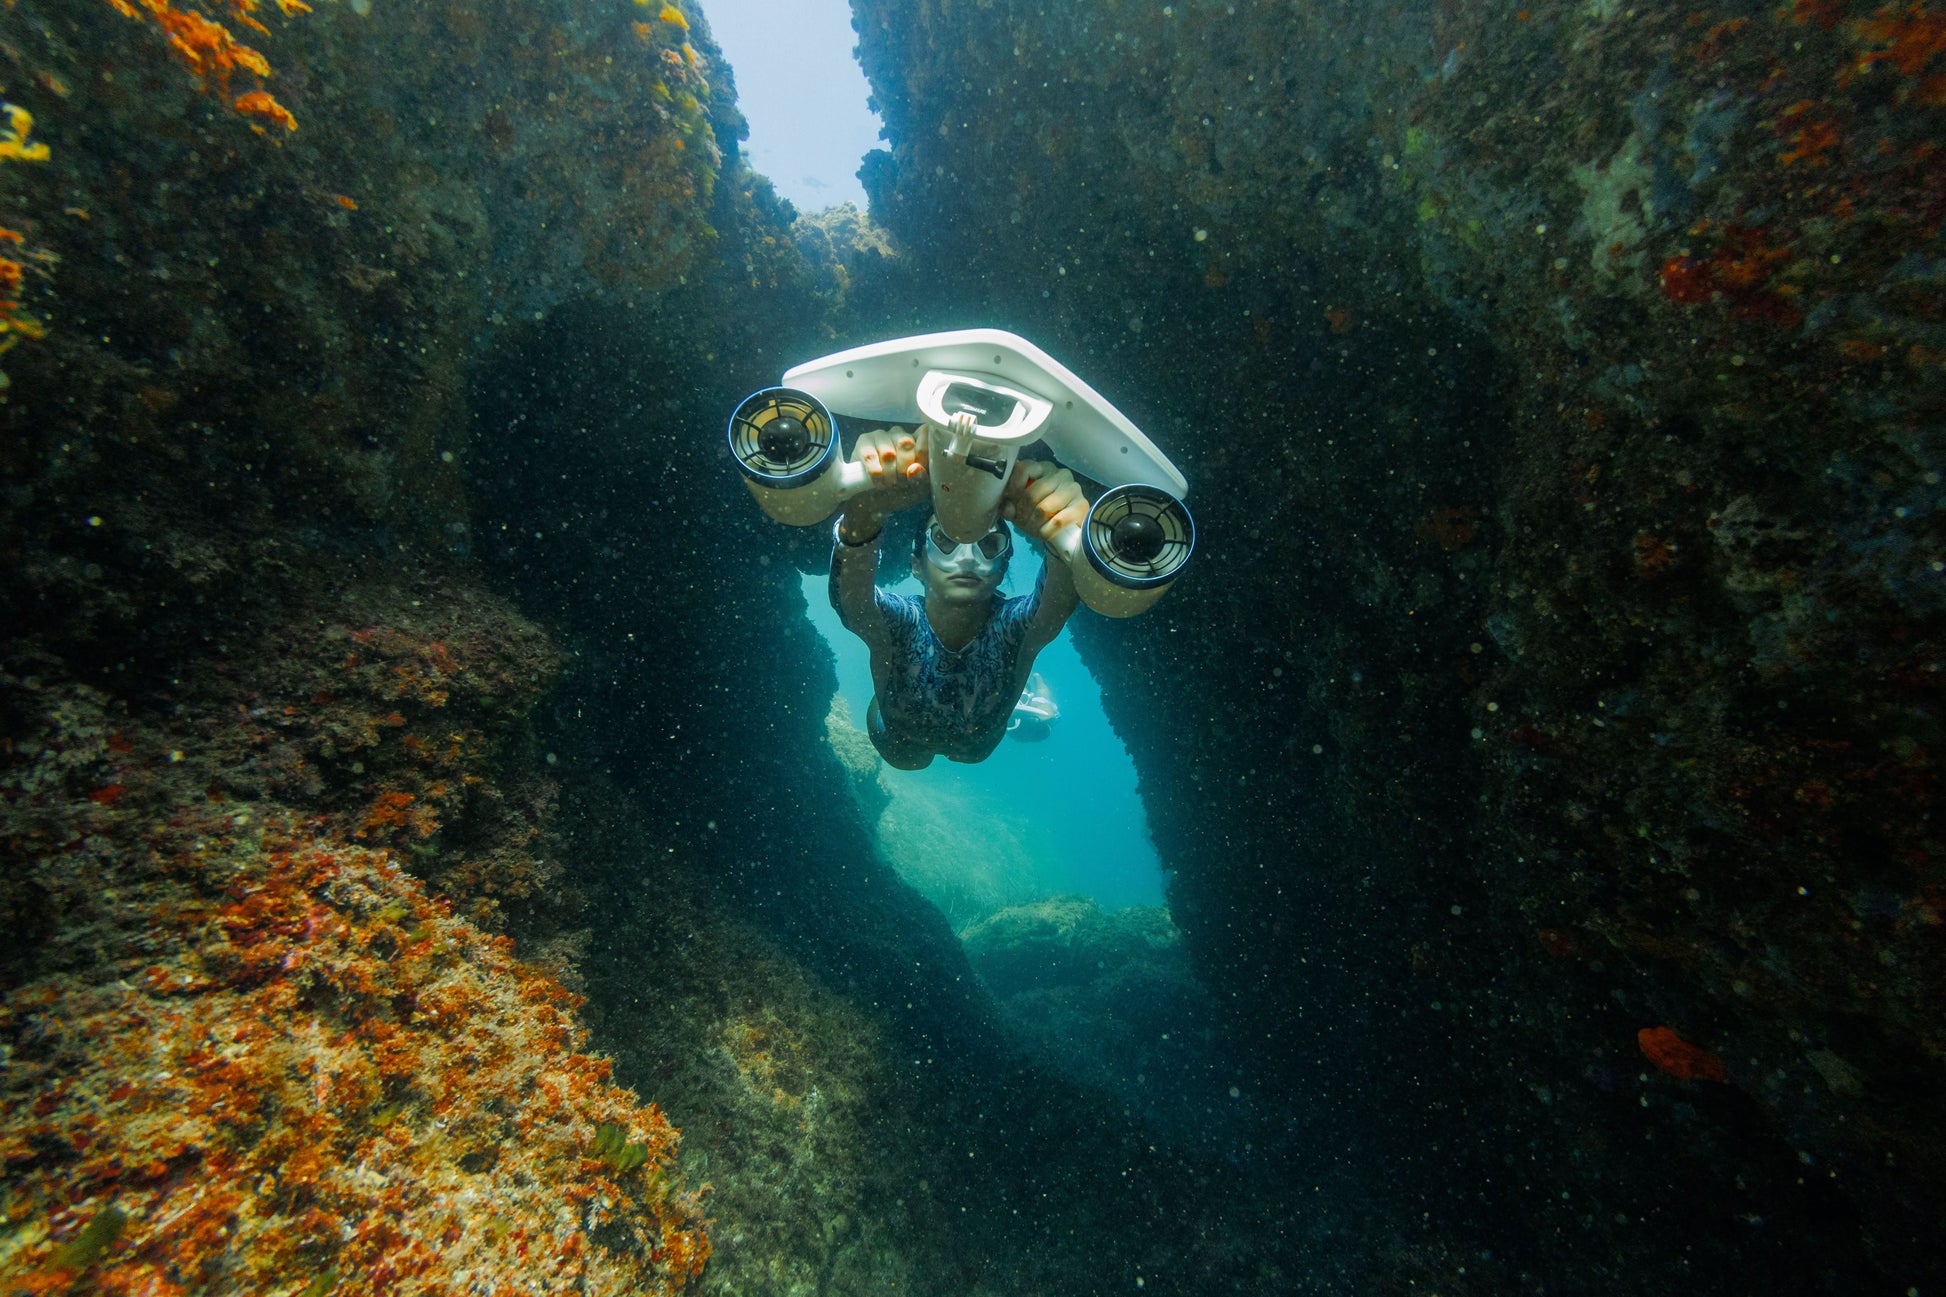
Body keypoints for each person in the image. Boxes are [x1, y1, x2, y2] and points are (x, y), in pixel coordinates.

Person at [830, 414, 1087, 769]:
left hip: (975, 748)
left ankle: (1038, 706)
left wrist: (1061, 531)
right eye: (945, 541)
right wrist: (865, 509)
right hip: (902, 742)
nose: (967, 557)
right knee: (909, 760)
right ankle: (1030, 705)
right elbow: (853, 603)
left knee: (1009, 734)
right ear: (917, 564)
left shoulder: (1014, 626)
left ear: (1002, 568)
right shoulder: (902, 621)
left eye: (989, 545)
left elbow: (1055, 606)